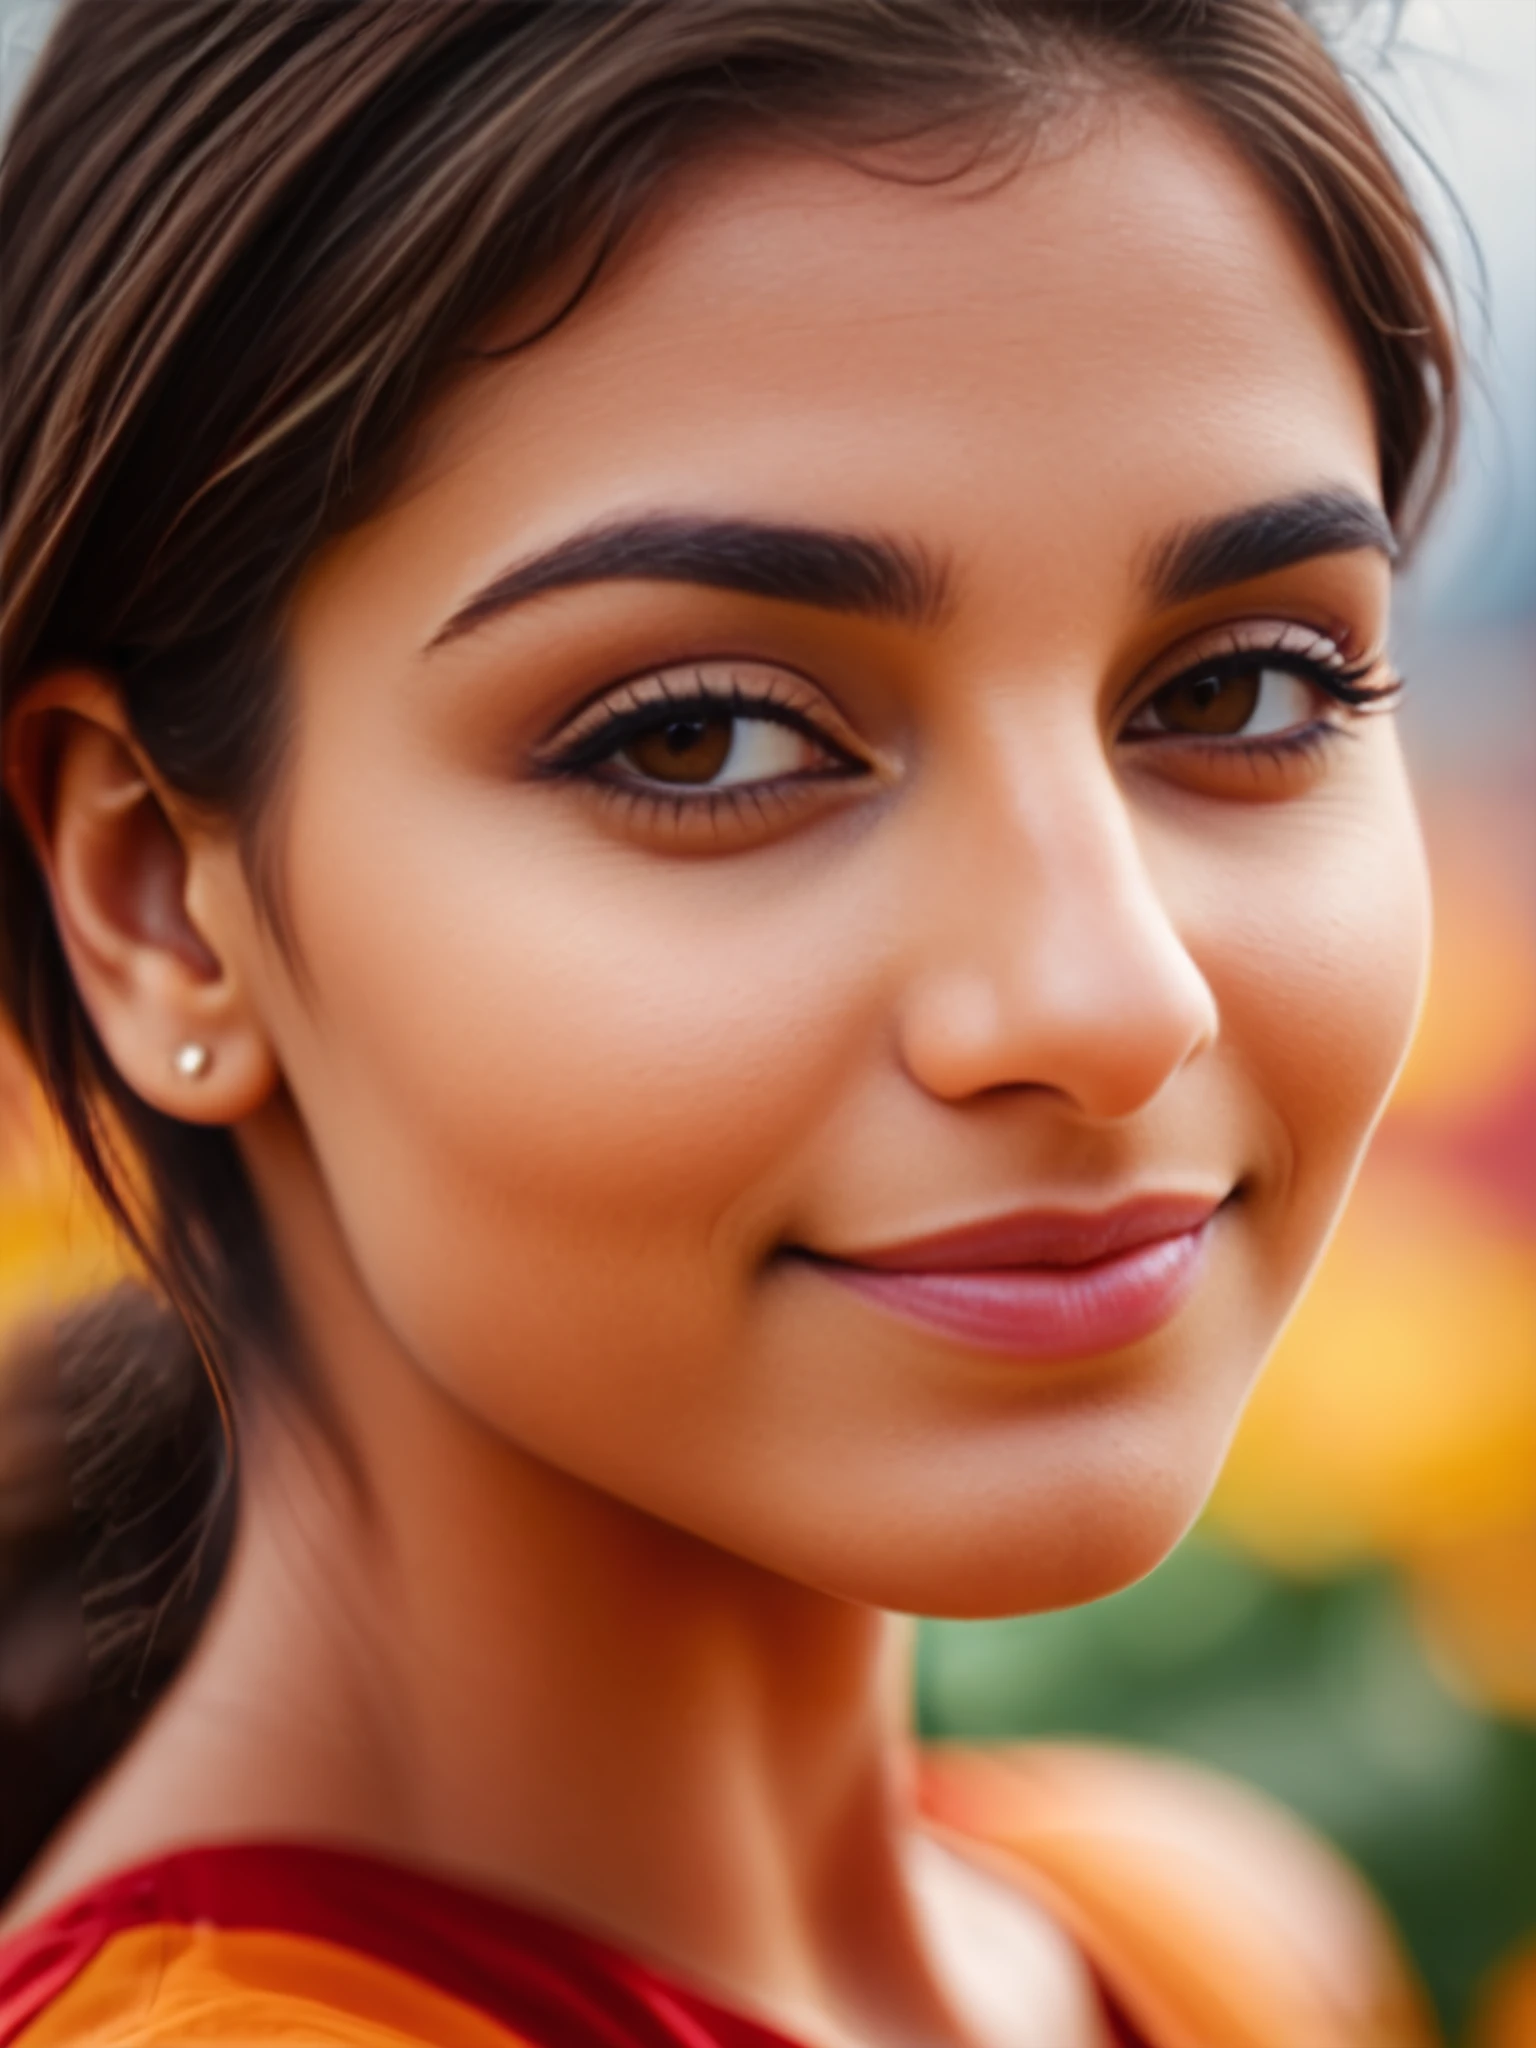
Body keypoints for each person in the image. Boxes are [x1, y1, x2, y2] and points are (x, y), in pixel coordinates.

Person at [0, 2, 1458, 2042]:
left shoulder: (1201, 1936)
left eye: (1241, 692)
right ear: (157, 893)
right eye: (702, 737)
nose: (1115, 997)